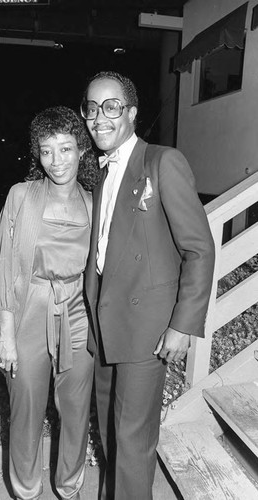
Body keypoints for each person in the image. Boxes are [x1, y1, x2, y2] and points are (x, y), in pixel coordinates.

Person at [80, 71, 215, 500]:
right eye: (91, 107)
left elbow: (199, 249)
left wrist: (182, 325)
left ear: (132, 113)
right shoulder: (101, 176)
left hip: (146, 330)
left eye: (111, 106)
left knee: (133, 442)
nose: (99, 117)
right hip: (106, 326)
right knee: (109, 432)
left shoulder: (162, 161)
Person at [0, 106, 99, 500]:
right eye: (46, 151)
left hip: (79, 311)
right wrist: (8, 337)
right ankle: (26, 491)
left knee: (76, 410)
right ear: (37, 153)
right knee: (26, 409)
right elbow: (5, 270)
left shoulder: (97, 202)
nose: (56, 160)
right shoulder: (21, 196)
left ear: (82, 150)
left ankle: (69, 488)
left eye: (65, 148)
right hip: (28, 307)